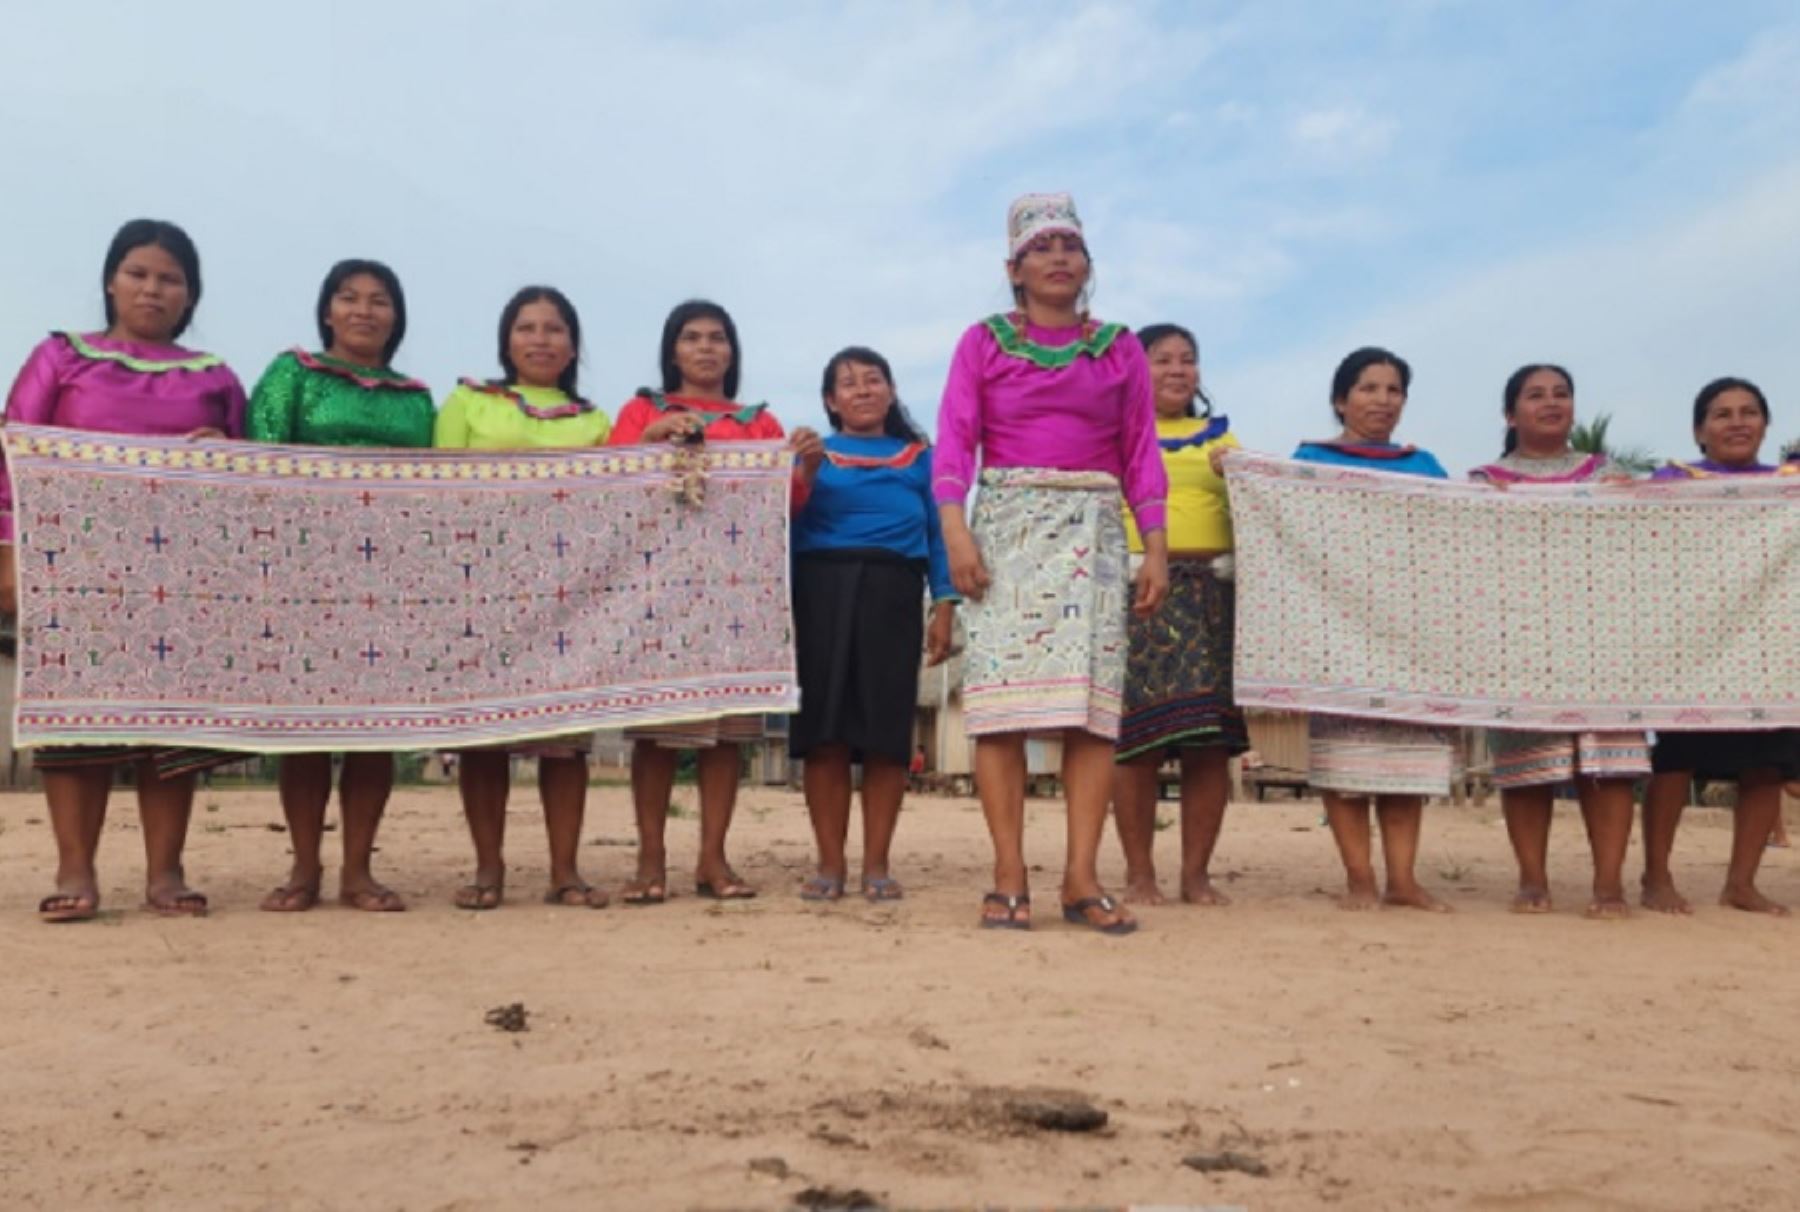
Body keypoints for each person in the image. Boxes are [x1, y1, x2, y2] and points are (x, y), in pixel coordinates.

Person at [935, 193, 1169, 935]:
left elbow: (1140, 450)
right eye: (1042, 247)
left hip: (1095, 533)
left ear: (1088, 264)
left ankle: (1080, 878)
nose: (1059, 257)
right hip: (1005, 528)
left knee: (1092, 715)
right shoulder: (983, 342)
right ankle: (1008, 873)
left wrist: (1153, 545)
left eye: (1071, 245)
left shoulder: (1120, 347)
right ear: (1014, 268)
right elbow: (954, 440)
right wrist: (957, 534)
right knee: (999, 710)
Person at [0, 218, 246, 921]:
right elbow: (14, 460)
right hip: (77, 567)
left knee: (169, 726)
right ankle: (76, 871)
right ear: (111, 278)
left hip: (181, 576)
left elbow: (250, 474)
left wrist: (221, 452)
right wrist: (11, 557)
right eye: (139, 273)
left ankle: (166, 874)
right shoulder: (60, 358)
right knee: (77, 724)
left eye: (170, 279)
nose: (152, 288)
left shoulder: (215, 377)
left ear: (190, 294)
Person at [607, 300, 822, 903]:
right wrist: (649, 440)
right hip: (658, 591)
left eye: (717, 338)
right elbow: (608, 489)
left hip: (734, 595)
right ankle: (651, 861)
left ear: (732, 352)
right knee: (655, 734)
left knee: (727, 735)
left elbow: (784, 511)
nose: (706, 348)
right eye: (692, 338)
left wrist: (803, 468)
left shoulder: (760, 423)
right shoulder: (642, 410)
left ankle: (713, 860)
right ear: (672, 350)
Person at [247, 258, 436, 912]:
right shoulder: (291, 374)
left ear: (396, 315)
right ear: (327, 310)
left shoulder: (415, 396)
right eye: (349, 298)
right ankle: (304, 867)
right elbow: (259, 461)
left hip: (388, 578)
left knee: (371, 729)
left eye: (379, 300)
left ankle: (358, 870)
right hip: (302, 575)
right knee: (306, 727)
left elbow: (437, 489)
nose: (364, 310)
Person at [433, 285, 612, 910]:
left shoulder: (595, 421)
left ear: (573, 345)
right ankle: (489, 870)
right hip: (483, 587)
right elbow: (436, 486)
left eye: (555, 329)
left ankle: (566, 871)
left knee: (566, 740)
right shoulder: (467, 402)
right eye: (527, 327)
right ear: (506, 340)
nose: (541, 339)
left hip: (572, 594)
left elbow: (619, 501)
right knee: (486, 736)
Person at [1468, 365, 1648, 918]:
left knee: (1609, 762)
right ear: (1510, 413)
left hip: (1605, 636)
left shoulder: (1609, 475)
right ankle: (1532, 881)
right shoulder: (1482, 482)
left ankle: (1609, 886)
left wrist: (1636, 502)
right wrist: (1481, 507)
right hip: (1518, 639)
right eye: (1535, 395)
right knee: (1527, 765)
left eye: (1561, 394)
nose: (1551, 403)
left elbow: (1645, 545)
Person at [1292, 347, 1456, 911]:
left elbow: (1454, 535)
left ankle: (1403, 880)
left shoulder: (1426, 467)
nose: (1382, 400)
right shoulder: (1308, 461)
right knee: (1344, 761)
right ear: (1341, 400)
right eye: (1368, 388)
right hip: (1336, 630)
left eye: (1393, 390)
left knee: (1406, 761)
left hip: (1409, 634)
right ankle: (1359, 878)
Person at [790, 346, 956, 902]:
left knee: (886, 738)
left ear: (890, 390)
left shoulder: (921, 458)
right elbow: (781, 522)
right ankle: (830, 865)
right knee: (826, 736)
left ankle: (877, 866)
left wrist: (945, 605)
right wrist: (804, 472)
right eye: (848, 383)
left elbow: (937, 536)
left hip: (893, 595)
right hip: (820, 593)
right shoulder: (809, 453)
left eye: (873, 379)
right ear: (830, 401)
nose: (862, 389)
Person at [1640, 377, 1800, 915]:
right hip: (1694, 644)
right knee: (1675, 761)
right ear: (1699, 430)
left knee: (1766, 767)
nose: (1737, 422)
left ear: (1765, 424)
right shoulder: (1670, 483)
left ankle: (1741, 883)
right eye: (1723, 413)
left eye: (1749, 411)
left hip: (1770, 648)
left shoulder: (1789, 485)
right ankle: (1656, 876)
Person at [1111, 323, 1247, 906]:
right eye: (1161, 359)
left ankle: (1196, 874)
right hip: (1137, 591)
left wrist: (1237, 477)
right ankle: (1140, 872)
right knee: (1133, 740)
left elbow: (1265, 508)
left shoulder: (1224, 440)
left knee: (1208, 742)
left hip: (1213, 594)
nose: (1176, 369)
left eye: (1187, 360)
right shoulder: (1113, 433)